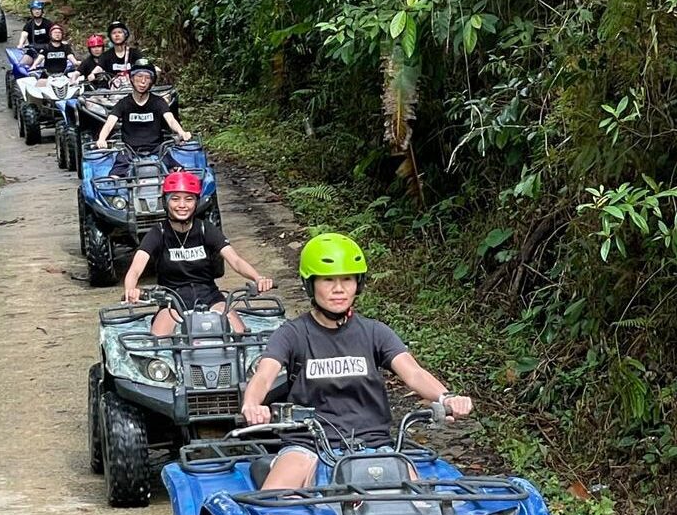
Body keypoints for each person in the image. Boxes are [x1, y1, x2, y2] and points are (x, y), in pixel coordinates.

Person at [241, 233, 474, 490]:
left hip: (376, 445)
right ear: (310, 284)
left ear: (358, 284)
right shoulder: (292, 333)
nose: (338, 289)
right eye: (328, 280)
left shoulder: (374, 332)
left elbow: (414, 373)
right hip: (307, 444)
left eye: (347, 279)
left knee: (422, 503)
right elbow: (264, 374)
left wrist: (446, 397)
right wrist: (252, 403)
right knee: (274, 506)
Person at [123, 171, 273, 335]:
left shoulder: (205, 229)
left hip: (210, 296)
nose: (182, 205)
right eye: (175, 199)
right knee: (158, 342)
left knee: (240, 335)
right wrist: (131, 289)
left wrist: (258, 278)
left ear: (196, 202)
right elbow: (136, 268)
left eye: (189, 199)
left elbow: (235, 261)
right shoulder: (158, 232)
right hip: (172, 300)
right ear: (166, 202)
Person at [95, 58, 191, 173]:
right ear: (132, 78)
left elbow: (170, 120)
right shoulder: (123, 103)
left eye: (147, 77)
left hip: (158, 150)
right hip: (129, 151)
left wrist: (182, 132)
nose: (143, 81)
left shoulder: (158, 102)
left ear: (152, 81)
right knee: (114, 177)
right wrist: (102, 139)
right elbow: (110, 123)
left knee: (180, 172)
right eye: (139, 76)